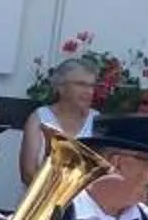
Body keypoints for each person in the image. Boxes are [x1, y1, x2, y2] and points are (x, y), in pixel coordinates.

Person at [19, 52, 102, 188]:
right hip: (41, 199)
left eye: (92, 86)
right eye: (81, 84)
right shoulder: (39, 118)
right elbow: (28, 173)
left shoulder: (98, 121)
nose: (89, 91)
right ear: (60, 87)